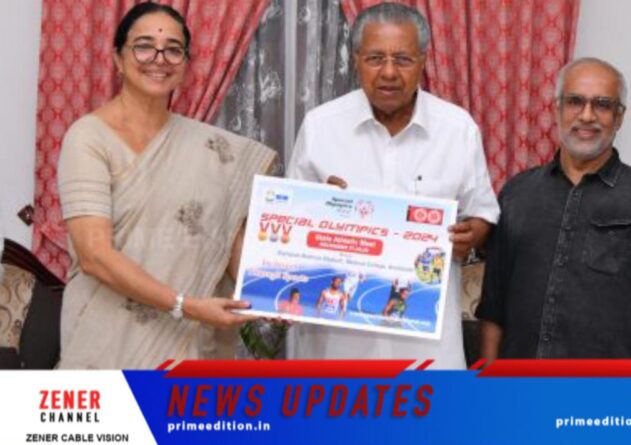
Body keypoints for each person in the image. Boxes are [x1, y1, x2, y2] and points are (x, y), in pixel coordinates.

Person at [57, 3, 277, 368]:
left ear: (186, 64)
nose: (159, 59)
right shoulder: (88, 139)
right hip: (107, 343)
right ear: (118, 59)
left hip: (185, 348)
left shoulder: (212, 149)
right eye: (144, 46)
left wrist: (282, 292)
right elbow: (95, 255)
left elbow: (228, 243)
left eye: (173, 49)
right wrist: (185, 305)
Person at [286, 2, 499, 368]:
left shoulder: (457, 129)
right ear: (356, 60)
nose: (388, 72)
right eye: (375, 58)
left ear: (423, 61)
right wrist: (317, 208)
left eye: (402, 59)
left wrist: (471, 235)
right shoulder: (321, 127)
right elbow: (288, 223)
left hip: (428, 350)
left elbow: (482, 213)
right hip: (338, 349)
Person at [477, 57, 631, 360]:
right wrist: (487, 376)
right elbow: (494, 302)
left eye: (602, 104)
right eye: (575, 101)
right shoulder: (518, 194)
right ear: (557, 109)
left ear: (619, 117)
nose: (587, 115)